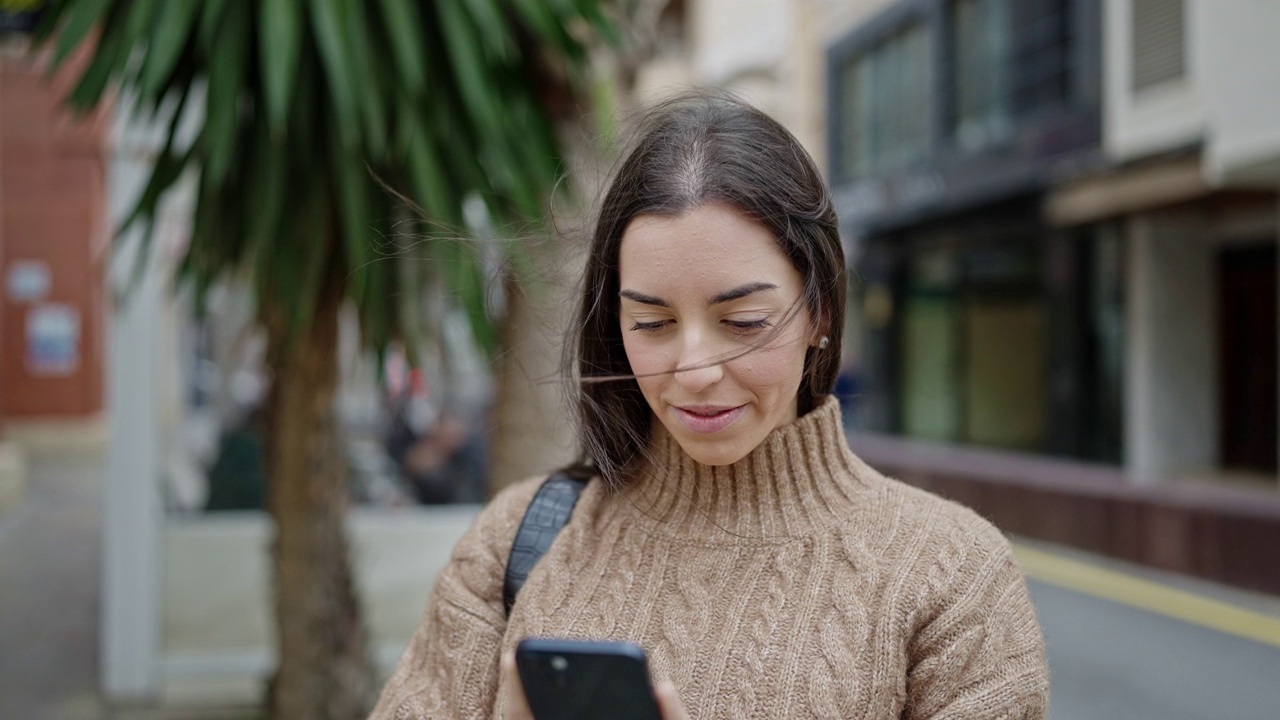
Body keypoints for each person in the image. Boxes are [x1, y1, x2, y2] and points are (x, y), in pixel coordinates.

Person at [368, 92, 1049, 719]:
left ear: (822, 312)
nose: (693, 371)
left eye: (744, 321)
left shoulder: (953, 577)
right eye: (652, 323)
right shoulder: (514, 541)